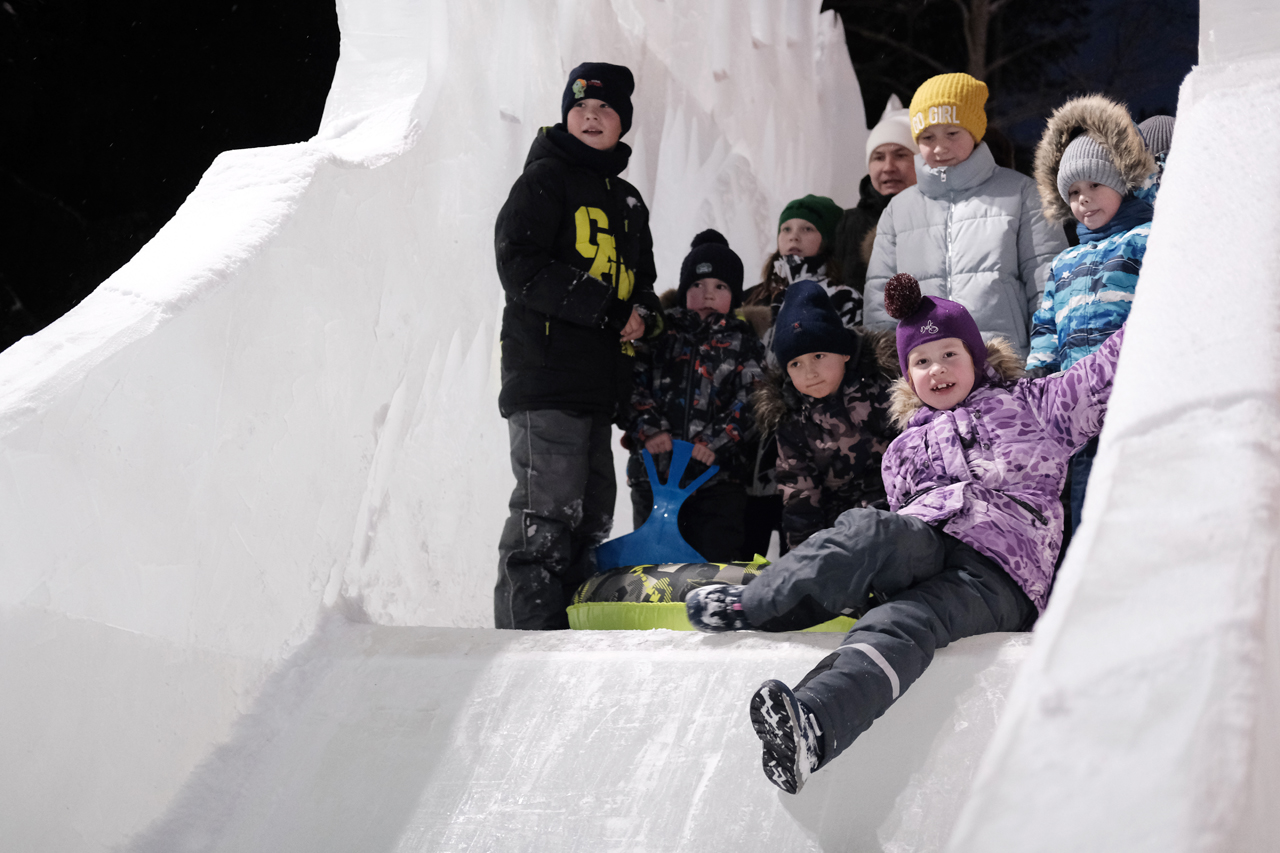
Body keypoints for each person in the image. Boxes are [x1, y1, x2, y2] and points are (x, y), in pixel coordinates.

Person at [686, 273, 1127, 793]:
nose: (936, 369)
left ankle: (792, 673)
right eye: (921, 361)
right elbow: (890, 535)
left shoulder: (1034, 405)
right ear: (907, 376)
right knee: (873, 545)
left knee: (910, 617)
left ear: (978, 357)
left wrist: (1163, 289)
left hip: (1001, 574)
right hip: (928, 540)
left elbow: (1102, 374)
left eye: (949, 355)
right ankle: (780, 658)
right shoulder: (901, 449)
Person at [493, 61, 663, 630]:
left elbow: (643, 283)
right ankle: (525, 641)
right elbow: (520, 264)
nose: (591, 116)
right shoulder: (544, 180)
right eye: (581, 107)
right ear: (566, 115)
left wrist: (644, 316)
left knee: (590, 517)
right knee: (546, 512)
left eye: (605, 108)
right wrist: (609, 310)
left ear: (623, 122)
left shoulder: (630, 202)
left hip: (598, 385)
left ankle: (565, 636)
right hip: (545, 374)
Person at [863, 72, 1066, 362]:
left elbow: (1046, 281)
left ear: (975, 131)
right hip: (926, 372)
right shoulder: (899, 209)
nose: (939, 147)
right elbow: (879, 301)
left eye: (952, 133)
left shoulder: (1021, 193)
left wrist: (1045, 358)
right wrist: (883, 369)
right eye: (927, 137)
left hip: (1002, 364)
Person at [1026, 95, 1160, 533]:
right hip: (1074, 409)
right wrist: (1037, 377)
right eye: (1074, 194)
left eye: (1094, 187)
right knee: (1080, 509)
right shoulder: (1064, 262)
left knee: (1127, 505)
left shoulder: (1147, 240)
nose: (1084, 201)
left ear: (1122, 182)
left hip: (1130, 401)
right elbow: (1046, 326)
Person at [624, 230, 765, 562]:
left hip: (718, 481)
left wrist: (713, 443)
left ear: (735, 296)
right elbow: (630, 383)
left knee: (712, 568)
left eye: (721, 286)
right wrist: (651, 429)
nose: (708, 294)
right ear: (684, 289)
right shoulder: (658, 334)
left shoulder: (744, 341)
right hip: (654, 477)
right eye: (697, 286)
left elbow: (755, 399)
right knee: (651, 570)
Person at [753, 280, 897, 550]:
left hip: (900, 507)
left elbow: (915, 449)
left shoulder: (882, 384)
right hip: (840, 526)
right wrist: (805, 557)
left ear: (843, 352)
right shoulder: (792, 418)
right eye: (796, 364)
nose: (809, 372)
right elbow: (799, 494)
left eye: (818, 356)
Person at [833, 102, 917, 295]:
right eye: (878, 157)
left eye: (900, 155)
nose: (888, 167)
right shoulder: (847, 223)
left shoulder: (940, 219)